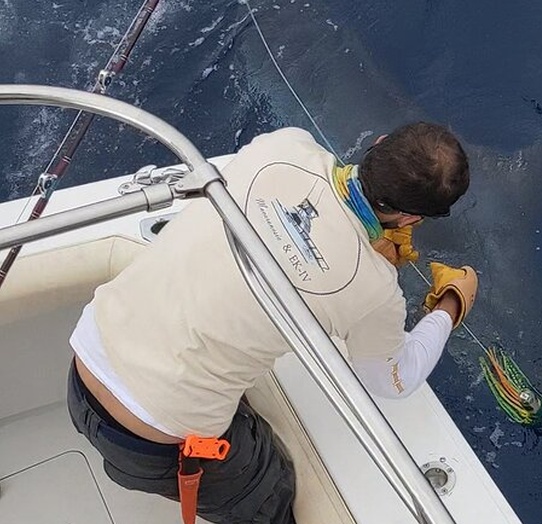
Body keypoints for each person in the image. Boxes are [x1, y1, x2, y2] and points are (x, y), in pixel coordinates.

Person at [66, 122, 478, 524]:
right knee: (273, 493)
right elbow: (393, 381)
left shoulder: (285, 145)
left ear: (380, 142)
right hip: (154, 444)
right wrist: (450, 304)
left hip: (85, 364)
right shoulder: (375, 289)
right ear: (410, 220)